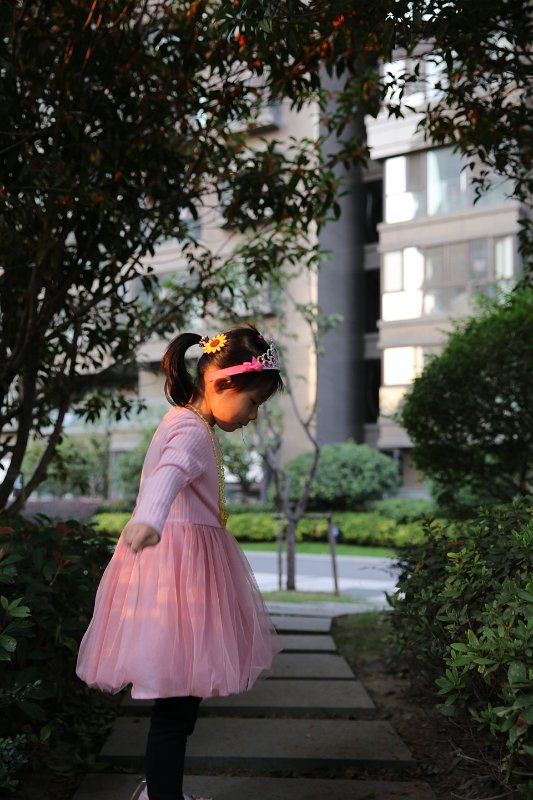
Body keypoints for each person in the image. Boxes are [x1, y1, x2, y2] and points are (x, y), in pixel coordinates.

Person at [76, 325, 284, 800]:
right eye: (253, 402)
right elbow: (168, 475)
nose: (253, 415)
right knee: (174, 708)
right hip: (178, 580)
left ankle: (161, 791)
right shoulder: (190, 429)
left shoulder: (190, 423)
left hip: (183, 572)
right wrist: (148, 519)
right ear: (221, 383)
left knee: (179, 705)